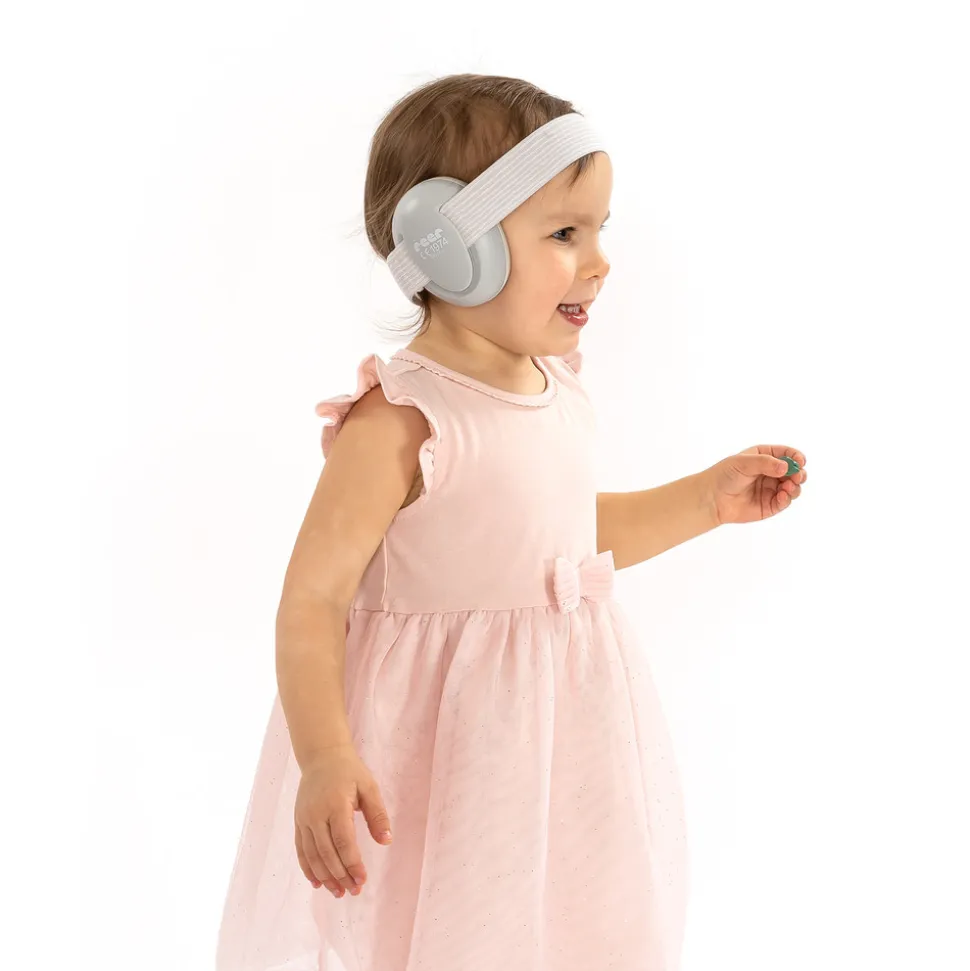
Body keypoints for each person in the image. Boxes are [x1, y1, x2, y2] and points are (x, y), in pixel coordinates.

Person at [215, 73, 807, 971]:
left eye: (599, 230)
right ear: (452, 247)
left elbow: (559, 537)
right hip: (442, 749)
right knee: (449, 932)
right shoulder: (403, 420)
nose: (599, 261)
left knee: (562, 927)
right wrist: (325, 754)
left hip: (561, 734)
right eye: (565, 234)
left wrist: (705, 500)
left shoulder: (554, 386)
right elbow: (312, 600)